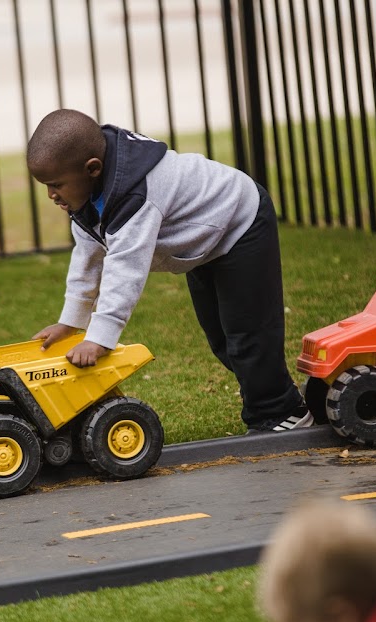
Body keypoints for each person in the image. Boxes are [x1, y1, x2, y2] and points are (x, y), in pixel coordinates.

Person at [26, 109, 310, 433]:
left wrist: (100, 338)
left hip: (239, 220)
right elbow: (89, 254)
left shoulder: (135, 194)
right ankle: (279, 399)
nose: (51, 195)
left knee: (248, 333)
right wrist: (70, 321)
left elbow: (125, 268)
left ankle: (280, 413)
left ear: (92, 168)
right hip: (205, 240)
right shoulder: (90, 193)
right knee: (221, 338)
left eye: (56, 185)